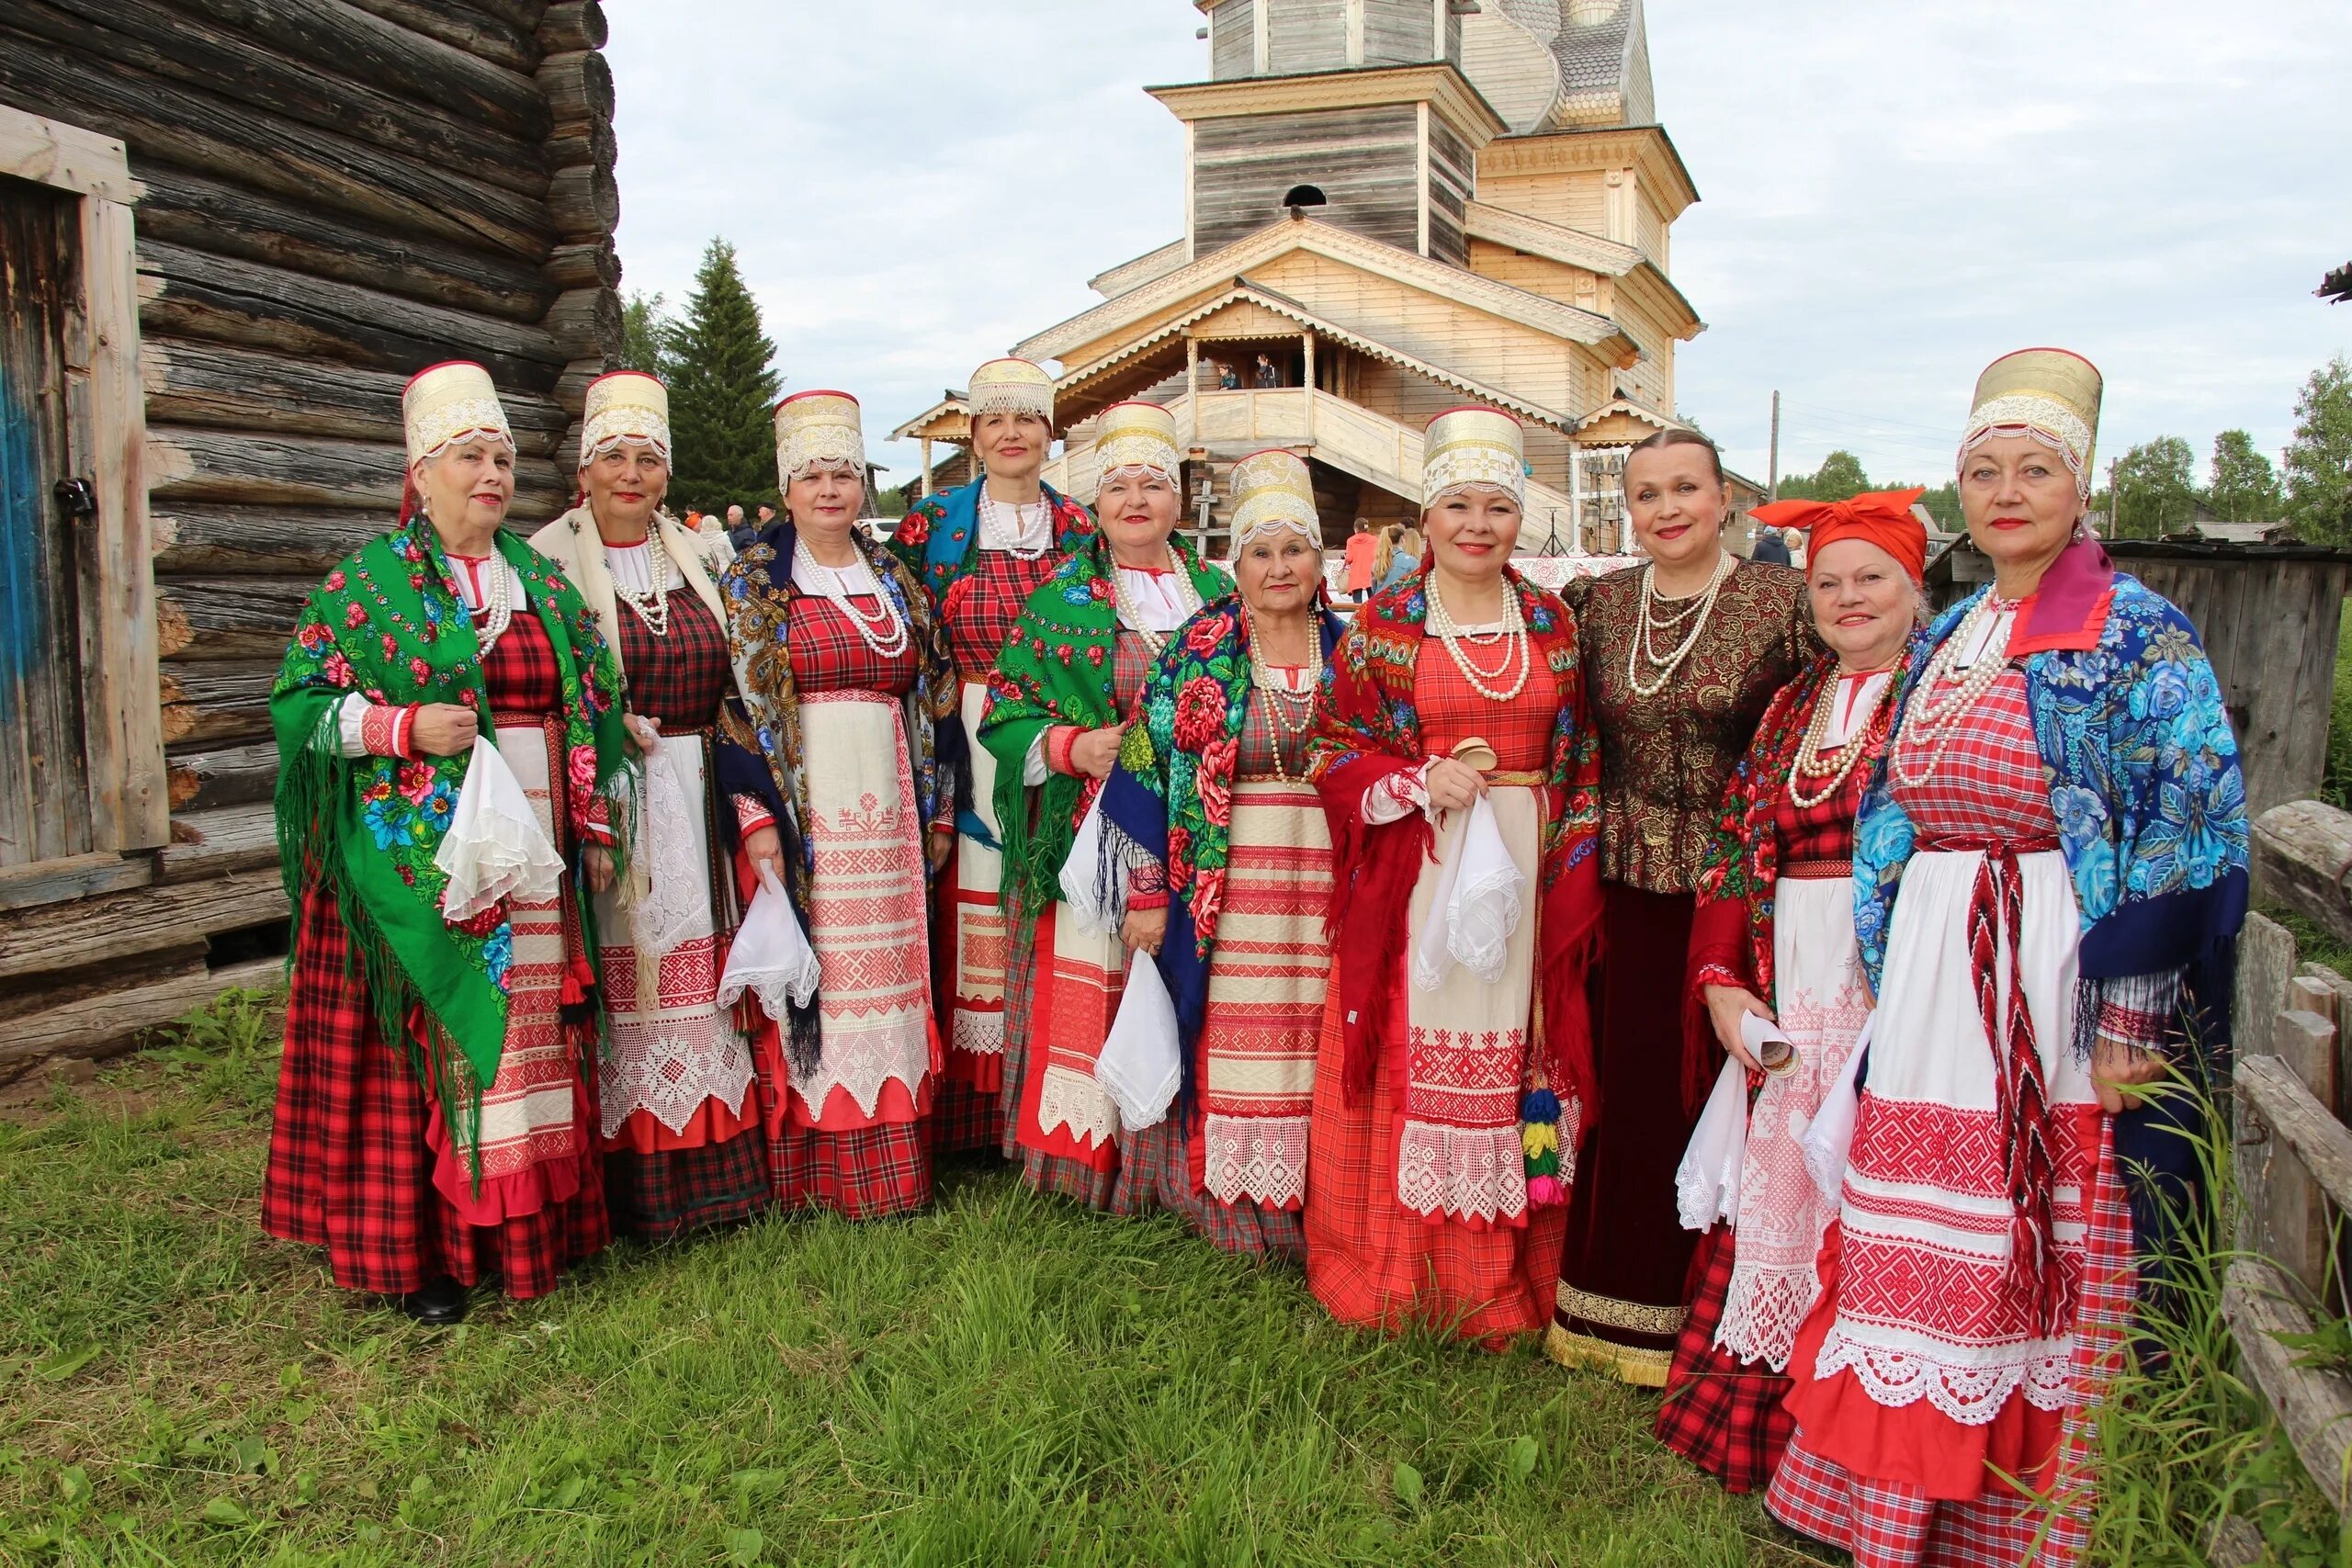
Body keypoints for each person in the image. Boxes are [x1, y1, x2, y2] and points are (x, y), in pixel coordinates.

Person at [1766, 350, 2249, 1564]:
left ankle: (2010, 1517)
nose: (2007, 491)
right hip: (1939, 955)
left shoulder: (2134, 630)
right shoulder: (1960, 630)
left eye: (2035, 467)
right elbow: (1890, 796)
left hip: (2047, 959)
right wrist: (1888, 938)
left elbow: (2187, 821)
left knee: (2023, 1218)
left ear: (2084, 484)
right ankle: (1879, 1502)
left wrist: (2131, 1004)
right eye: (1983, 469)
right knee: (1915, 1219)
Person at [263, 362, 628, 1323]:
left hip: (530, 836)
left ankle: (533, 1235)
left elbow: (591, 701)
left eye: (503, 458)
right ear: (420, 471)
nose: (491, 475)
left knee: (529, 1033)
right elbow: (300, 710)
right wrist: (401, 729)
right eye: (470, 456)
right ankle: (421, 1253)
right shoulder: (364, 586)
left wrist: (591, 819)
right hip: (411, 851)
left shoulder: (540, 582)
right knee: (429, 1039)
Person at [1305, 407, 1603, 1345]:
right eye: (1459, 505)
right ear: (1424, 518)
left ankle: (1506, 1285)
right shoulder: (1382, 624)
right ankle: (1400, 1278)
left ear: (1522, 520)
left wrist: (1568, 863)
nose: (1479, 525)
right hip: (1423, 871)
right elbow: (1329, 749)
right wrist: (1411, 779)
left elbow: (1581, 753)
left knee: (1521, 1057)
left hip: (1526, 862)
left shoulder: (1554, 623)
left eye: (1499, 507)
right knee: (1410, 1055)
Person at [1652, 488, 1927, 1493]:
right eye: (1828, 583)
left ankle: (1846, 1444)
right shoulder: (1791, 706)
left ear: (1915, 584)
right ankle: (1757, 1417)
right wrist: (1722, 984)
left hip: (1890, 979)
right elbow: (1735, 847)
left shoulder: (1940, 694)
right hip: (1786, 975)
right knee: (1777, 1189)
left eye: (1871, 579)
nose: (1849, 599)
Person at [1548, 427, 1815, 1387]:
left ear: (1723, 497)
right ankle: (1608, 1310)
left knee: (1729, 1090)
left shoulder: (1782, 603)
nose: (1667, 509)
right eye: (1648, 493)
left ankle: (1730, 1323)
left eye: (1685, 490)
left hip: (1740, 893)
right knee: (1633, 1097)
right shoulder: (1598, 606)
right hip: (1622, 889)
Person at [522, 372, 766, 1242]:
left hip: (700, 784)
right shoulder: (544, 561)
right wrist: (599, 733)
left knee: (704, 982)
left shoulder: (703, 555)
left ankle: (723, 1180)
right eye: (614, 456)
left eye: (648, 458)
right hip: (614, 795)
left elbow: (744, 670)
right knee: (634, 981)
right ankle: (640, 1192)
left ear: (668, 474)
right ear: (584, 469)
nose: (631, 473)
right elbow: (535, 684)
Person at [714, 391, 962, 1219]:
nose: (830, 490)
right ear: (785, 489)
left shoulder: (895, 576)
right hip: (809, 814)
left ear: (864, 487)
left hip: (891, 809)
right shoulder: (753, 582)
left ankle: (897, 1171)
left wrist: (936, 811)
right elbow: (738, 709)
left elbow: (936, 698)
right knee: (827, 981)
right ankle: (823, 1174)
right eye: (812, 475)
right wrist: (755, 825)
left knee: (892, 978)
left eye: (845, 474)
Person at [1092, 449, 1343, 1258]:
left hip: (1331, 878)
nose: (1280, 568)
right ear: (1234, 565)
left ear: (1320, 558)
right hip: (1227, 881)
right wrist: (1146, 895)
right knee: (1241, 1040)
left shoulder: (1358, 648)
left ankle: (1327, 1205)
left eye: (1294, 549)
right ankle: (1241, 1214)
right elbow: (1142, 779)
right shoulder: (1197, 651)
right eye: (1260, 552)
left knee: (1321, 1035)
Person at [978, 400, 1229, 1206]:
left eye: (1152, 485)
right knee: (1098, 977)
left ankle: (1168, 1165)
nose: (1135, 501)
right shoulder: (1060, 598)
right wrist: (1068, 746)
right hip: (1093, 829)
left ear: (1177, 502)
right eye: (1117, 486)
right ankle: (1085, 1160)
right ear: (1093, 503)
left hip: (1198, 826)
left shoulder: (1221, 592)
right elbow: (1004, 714)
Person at [888, 358, 1094, 1156]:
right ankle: (974, 1117)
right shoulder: (931, 524)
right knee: (969, 896)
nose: (1012, 435)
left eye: (1028, 420)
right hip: (968, 724)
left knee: (1048, 898)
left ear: (1050, 434)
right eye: (995, 421)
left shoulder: (1080, 526)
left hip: (1062, 731)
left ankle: (1042, 1087)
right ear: (972, 436)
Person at [1342, 518, 1376, 603]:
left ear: (1356, 528)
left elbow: (1349, 559)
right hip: (1371, 572)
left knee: (1357, 603)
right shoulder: (1375, 540)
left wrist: (1345, 557)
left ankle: (1358, 615)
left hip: (1357, 573)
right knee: (1373, 600)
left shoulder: (1350, 540)